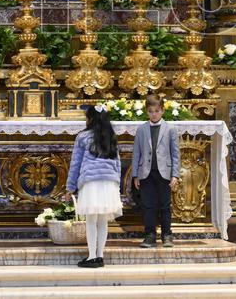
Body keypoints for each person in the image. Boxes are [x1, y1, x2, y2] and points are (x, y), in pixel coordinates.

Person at [66, 104, 123, 268]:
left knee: (91, 220)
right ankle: (100, 255)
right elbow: (118, 163)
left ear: (90, 119)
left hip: (91, 181)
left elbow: (75, 164)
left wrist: (70, 188)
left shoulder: (83, 137)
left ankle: (91, 256)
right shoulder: (111, 136)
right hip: (109, 182)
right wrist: (116, 185)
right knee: (103, 220)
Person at [132, 94, 180, 248]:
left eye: (157, 111)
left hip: (164, 173)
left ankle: (167, 235)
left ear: (163, 111)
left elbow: (175, 153)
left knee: (165, 205)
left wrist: (175, 174)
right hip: (146, 173)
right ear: (147, 111)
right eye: (151, 111)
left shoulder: (170, 128)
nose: (154, 114)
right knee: (148, 205)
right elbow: (137, 153)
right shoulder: (141, 129)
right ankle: (150, 235)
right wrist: (135, 175)